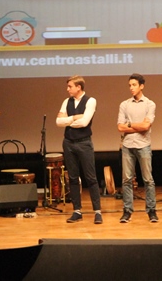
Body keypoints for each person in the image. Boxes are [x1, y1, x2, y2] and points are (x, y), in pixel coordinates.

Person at [56, 75, 103, 224]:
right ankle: (77, 211)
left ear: (79, 87)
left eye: (70, 86)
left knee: (91, 177)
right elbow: (58, 122)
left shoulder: (90, 101)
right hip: (68, 143)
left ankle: (97, 212)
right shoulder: (66, 101)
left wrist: (68, 120)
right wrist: (74, 118)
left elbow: (84, 122)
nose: (67, 89)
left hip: (84, 143)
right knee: (73, 177)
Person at [117, 73, 157, 223]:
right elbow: (120, 127)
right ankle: (127, 211)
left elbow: (146, 126)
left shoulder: (149, 104)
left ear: (141, 86)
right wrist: (137, 126)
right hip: (127, 145)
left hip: (143, 145)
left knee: (148, 179)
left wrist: (129, 124)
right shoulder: (124, 104)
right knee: (126, 180)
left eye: (134, 85)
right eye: (129, 85)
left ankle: (151, 211)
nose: (131, 88)